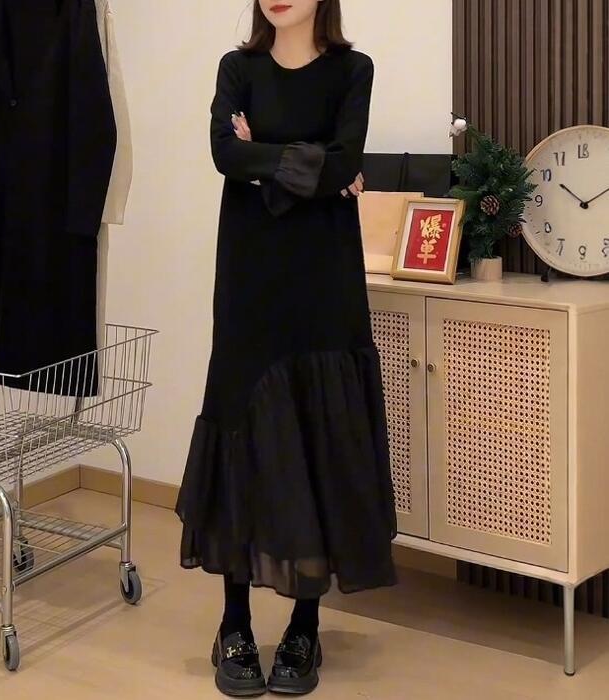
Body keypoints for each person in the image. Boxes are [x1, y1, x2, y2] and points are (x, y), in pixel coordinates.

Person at [175, 0, 397, 695]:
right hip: (250, 276)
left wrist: (265, 162)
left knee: (317, 433)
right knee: (241, 431)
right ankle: (234, 624)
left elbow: (347, 162)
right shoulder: (237, 69)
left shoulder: (352, 71)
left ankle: (305, 626)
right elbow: (225, 153)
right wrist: (311, 165)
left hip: (323, 277)